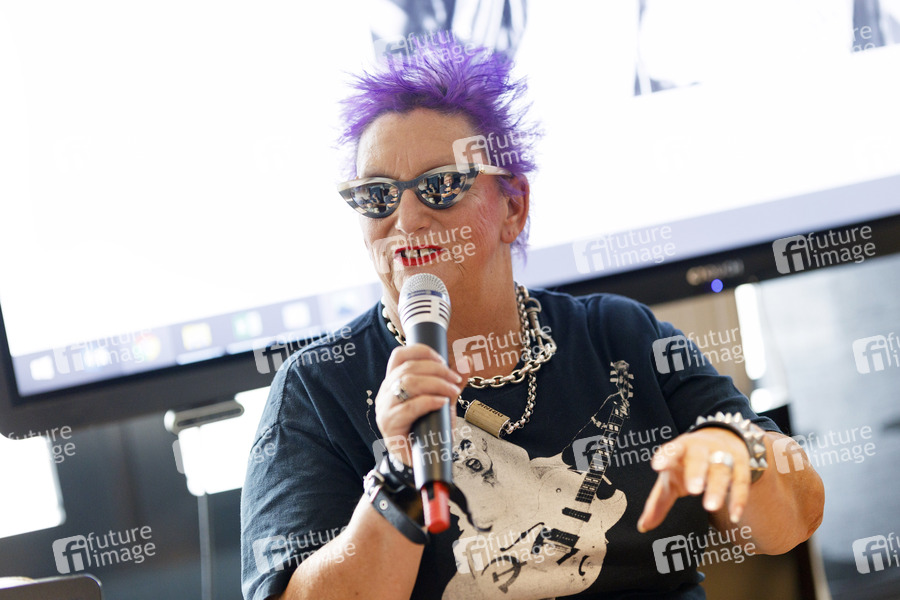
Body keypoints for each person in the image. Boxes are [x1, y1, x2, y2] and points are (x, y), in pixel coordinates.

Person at [241, 39, 824, 600]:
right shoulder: (318, 389)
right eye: (377, 194)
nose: (407, 218)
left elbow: (794, 522)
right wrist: (398, 474)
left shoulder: (620, 337)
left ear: (513, 206)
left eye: (441, 186)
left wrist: (741, 451)